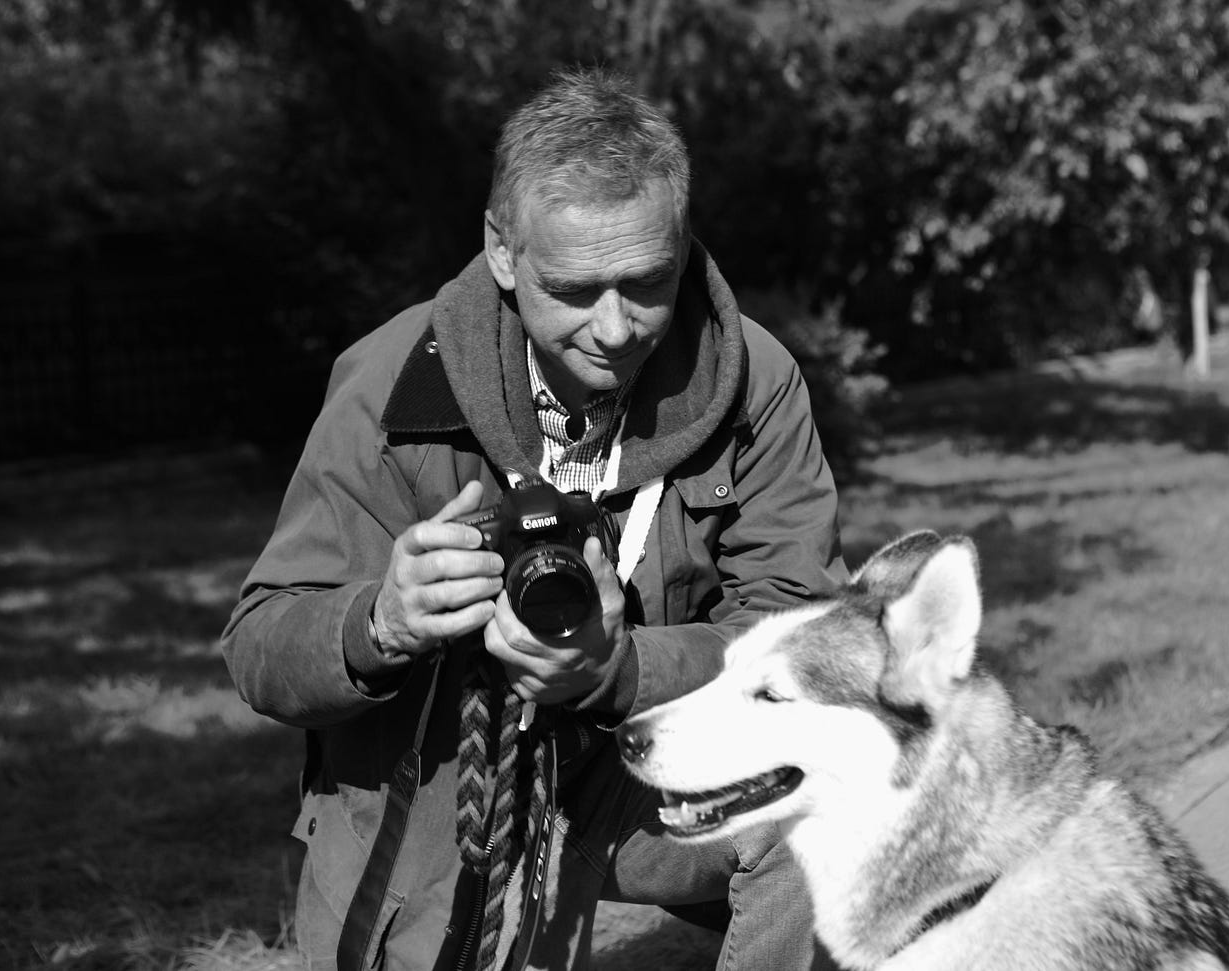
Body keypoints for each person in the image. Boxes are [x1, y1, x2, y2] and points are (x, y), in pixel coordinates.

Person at [222, 67, 849, 971]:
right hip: (439, 789)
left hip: (645, 768)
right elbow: (258, 645)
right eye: (576, 289)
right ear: (503, 251)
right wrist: (382, 622)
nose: (616, 328)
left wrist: (622, 669)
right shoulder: (392, 384)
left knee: (835, 805)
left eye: (648, 282)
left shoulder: (751, 377)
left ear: (681, 245)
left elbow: (805, 633)